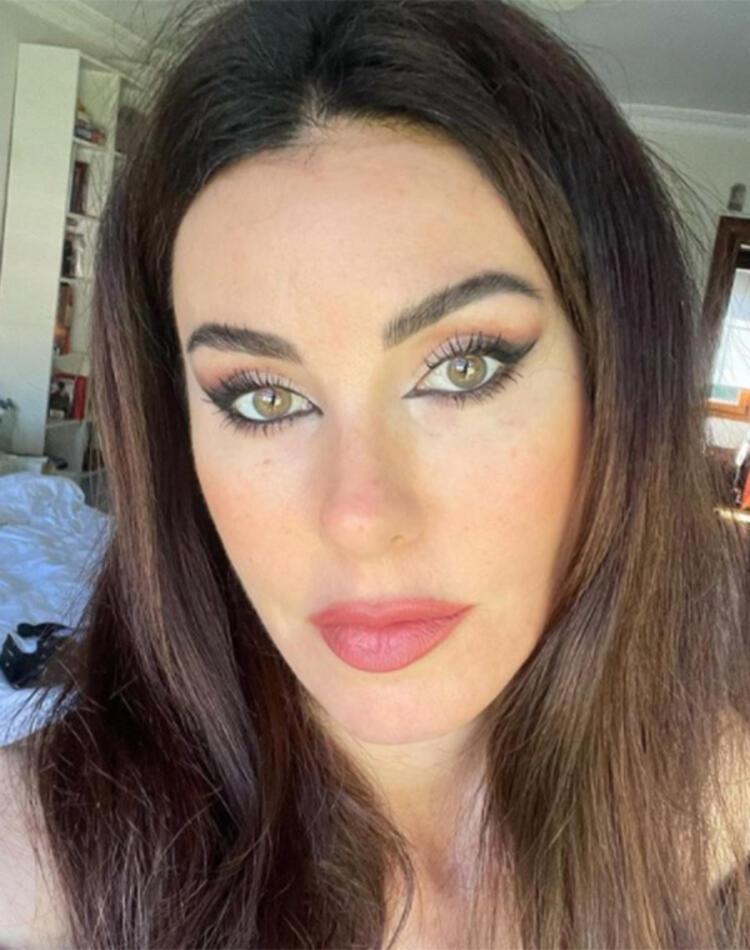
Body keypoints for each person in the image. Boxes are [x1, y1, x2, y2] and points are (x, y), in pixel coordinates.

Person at [1, 1, 749, 946]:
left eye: (463, 368)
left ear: (616, 388)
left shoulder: (718, 815)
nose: (359, 517)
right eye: (262, 397)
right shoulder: (36, 874)